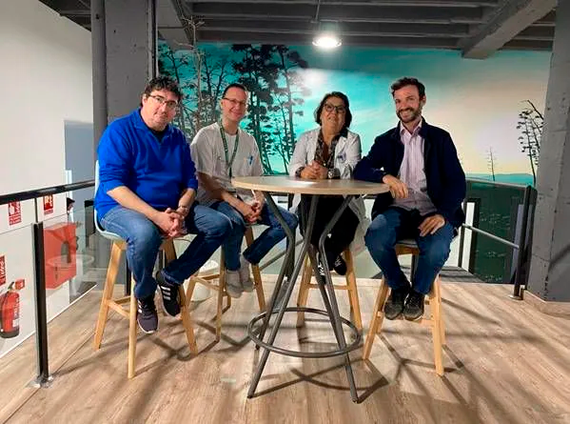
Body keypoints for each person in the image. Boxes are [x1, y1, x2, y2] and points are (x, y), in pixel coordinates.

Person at [95, 76, 232, 333]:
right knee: (145, 234)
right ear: (144, 99)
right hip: (120, 208)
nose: (164, 108)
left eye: (171, 104)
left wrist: (181, 210)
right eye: (159, 100)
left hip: (169, 208)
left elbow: (191, 181)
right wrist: (156, 217)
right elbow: (113, 185)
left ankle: (170, 277)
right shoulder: (119, 131)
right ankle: (145, 294)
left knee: (220, 224)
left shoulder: (177, 138)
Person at [354, 77, 466, 321]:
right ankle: (399, 286)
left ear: (422, 101)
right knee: (374, 236)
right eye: (398, 101)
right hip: (397, 210)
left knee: (437, 249)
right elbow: (360, 169)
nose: (403, 105)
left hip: (432, 211)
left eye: (409, 99)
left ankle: (418, 292)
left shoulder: (440, 138)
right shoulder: (385, 141)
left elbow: (457, 182)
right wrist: (385, 177)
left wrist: (443, 215)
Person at [190, 83, 298, 298]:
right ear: (222, 103)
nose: (237, 106)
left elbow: (257, 178)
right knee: (235, 220)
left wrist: (258, 201)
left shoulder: (249, 140)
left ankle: (245, 260)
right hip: (215, 199)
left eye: (242, 103)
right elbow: (205, 179)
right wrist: (239, 205)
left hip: (245, 199)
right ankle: (231, 270)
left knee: (289, 221)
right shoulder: (206, 135)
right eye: (232, 101)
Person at [289, 91, 365, 275]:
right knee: (308, 226)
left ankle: (325, 259)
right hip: (311, 198)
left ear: (345, 116)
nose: (334, 113)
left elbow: (353, 169)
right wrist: (303, 171)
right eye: (328, 107)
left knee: (348, 226)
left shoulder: (352, 139)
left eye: (340, 109)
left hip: (341, 200)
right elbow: (294, 165)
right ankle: (331, 257)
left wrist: (328, 173)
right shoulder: (306, 138)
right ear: (321, 113)